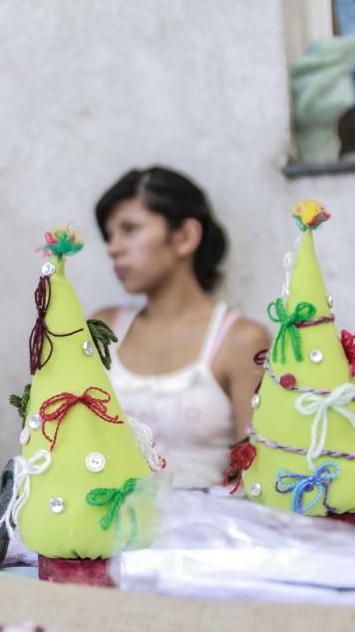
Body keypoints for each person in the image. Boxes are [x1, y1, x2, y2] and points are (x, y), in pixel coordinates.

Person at [91, 166, 270, 488]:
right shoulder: (103, 329)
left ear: (186, 236)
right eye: (109, 235)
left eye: (129, 229)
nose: (112, 248)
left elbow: (257, 471)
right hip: (106, 528)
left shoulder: (241, 340)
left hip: (207, 530)